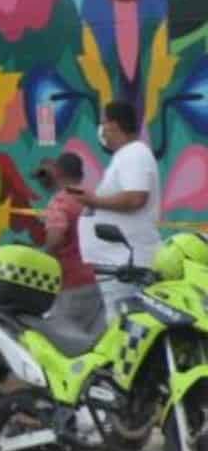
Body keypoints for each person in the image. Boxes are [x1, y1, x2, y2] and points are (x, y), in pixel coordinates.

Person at [76, 100, 162, 319]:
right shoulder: (126, 155)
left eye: (104, 122)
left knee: (122, 327)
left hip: (127, 265)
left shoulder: (135, 154)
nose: (102, 128)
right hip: (118, 265)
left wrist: (94, 201)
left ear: (114, 124)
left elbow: (135, 198)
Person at [36, 154, 105, 334]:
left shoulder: (60, 201)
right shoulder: (90, 196)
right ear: (81, 174)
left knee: (62, 343)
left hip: (70, 284)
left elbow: (56, 237)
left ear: (57, 173)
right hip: (95, 280)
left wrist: (42, 259)